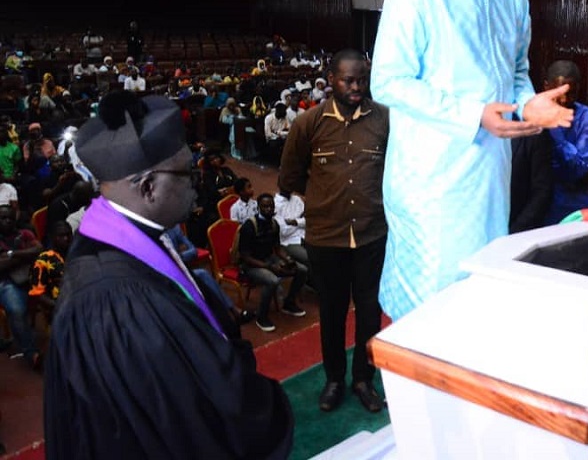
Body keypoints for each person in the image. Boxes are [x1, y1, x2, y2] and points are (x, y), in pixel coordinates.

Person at [43, 91, 293, 459]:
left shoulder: (135, 236)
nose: (196, 183)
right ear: (148, 186)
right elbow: (187, 411)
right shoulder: (114, 297)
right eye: (187, 173)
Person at [370, 0, 573, 320]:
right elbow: (387, 82)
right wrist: (473, 115)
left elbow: (515, 72)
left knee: (477, 302)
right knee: (427, 312)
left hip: (490, 179)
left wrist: (527, 104)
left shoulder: (514, 0)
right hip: (431, 185)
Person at [279, 49, 390, 413]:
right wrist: (325, 198)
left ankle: (363, 379)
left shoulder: (385, 119)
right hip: (326, 237)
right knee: (332, 311)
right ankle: (334, 379)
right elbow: (290, 177)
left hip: (372, 234)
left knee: (370, 312)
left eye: (362, 80)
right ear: (331, 80)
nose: (356, 87)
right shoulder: (308, 123)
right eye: (348, 80)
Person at [236, 193, 309, 333]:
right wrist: (269, 267)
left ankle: (288, 303)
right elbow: (245, 257)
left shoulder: (274, 224)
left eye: (271, 206)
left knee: (302, 270)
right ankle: (261, 316)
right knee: (272, 280)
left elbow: (277, 249)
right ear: (259, 208)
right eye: (265, 207)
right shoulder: (249, 226)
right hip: (251, 265)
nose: (268, 209)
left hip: (269, 259)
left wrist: (287, 259)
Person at [542, 60, 588, 225]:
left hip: (573, 203)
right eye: (558, 93)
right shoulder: (531, 116)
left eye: (571, 93)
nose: (564, 100)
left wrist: (555, 132)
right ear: (546, 87)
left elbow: (578, 168)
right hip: (540, 202)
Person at [0, 204, 42, 369]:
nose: (7, 221)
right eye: (3, 218)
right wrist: (25, 256)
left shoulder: (25, 233)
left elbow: (39, 249)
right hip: (6, 282)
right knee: (17, 309)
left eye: (10, 218)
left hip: (30, 278)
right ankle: (31, 353)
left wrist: (11, 255)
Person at [509, 128, 554, 234]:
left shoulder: (534, 133)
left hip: (515, 231)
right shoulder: (473, 129)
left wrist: (516, 232)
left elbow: (542, 190)